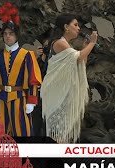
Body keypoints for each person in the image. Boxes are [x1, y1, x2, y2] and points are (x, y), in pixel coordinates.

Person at [0, 2, 42, 136]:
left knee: (22, 131)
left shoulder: (27, 55)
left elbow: (34, 81)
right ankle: (0, 157)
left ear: (17, 35)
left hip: (19, 98)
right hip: (0, 97)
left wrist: (32, 102)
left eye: (11, 33)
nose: (7, 36)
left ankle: (24, 157)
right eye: (5, 34)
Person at [40, 14, 98, 143]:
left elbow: (80, 61)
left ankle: (60, 157)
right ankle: (57, 159)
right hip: (57, 93)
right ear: (66, 27)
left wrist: (85, 47)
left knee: (63, 131)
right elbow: (78, 57)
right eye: (75, 25)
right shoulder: (60, 43)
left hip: (61, 92)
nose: (78, 28)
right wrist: (92, 43)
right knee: (59, 131)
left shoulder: (65, 44)